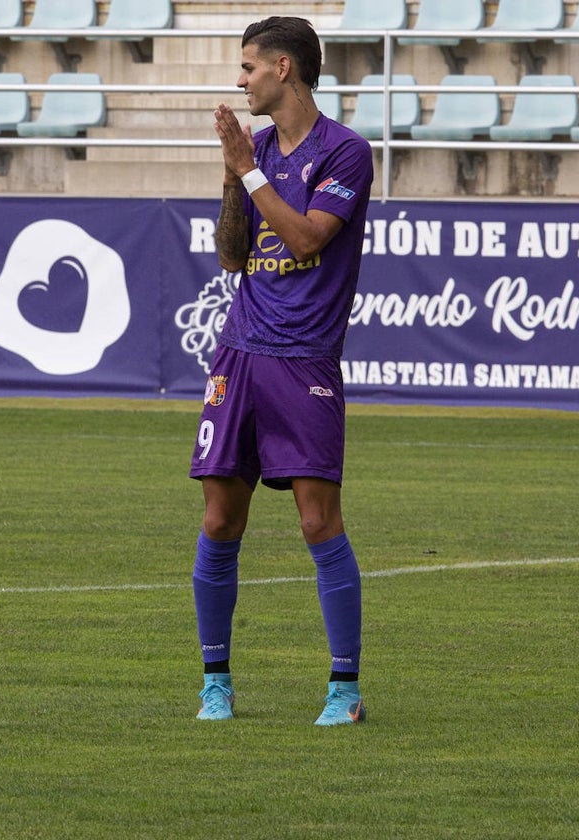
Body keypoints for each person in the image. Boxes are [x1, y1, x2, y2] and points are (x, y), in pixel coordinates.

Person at [188, 16, 373, 726]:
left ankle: (345, 690)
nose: (241, 81)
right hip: (240, 352)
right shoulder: (255, 148)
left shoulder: (345, 153)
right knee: (217, 519)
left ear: (285, 69)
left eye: (249, 67)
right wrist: (236, 174)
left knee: (318, 521)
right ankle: (215, 684)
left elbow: (303, 242)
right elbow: (234, 257)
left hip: (304, 361)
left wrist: (249, 170)